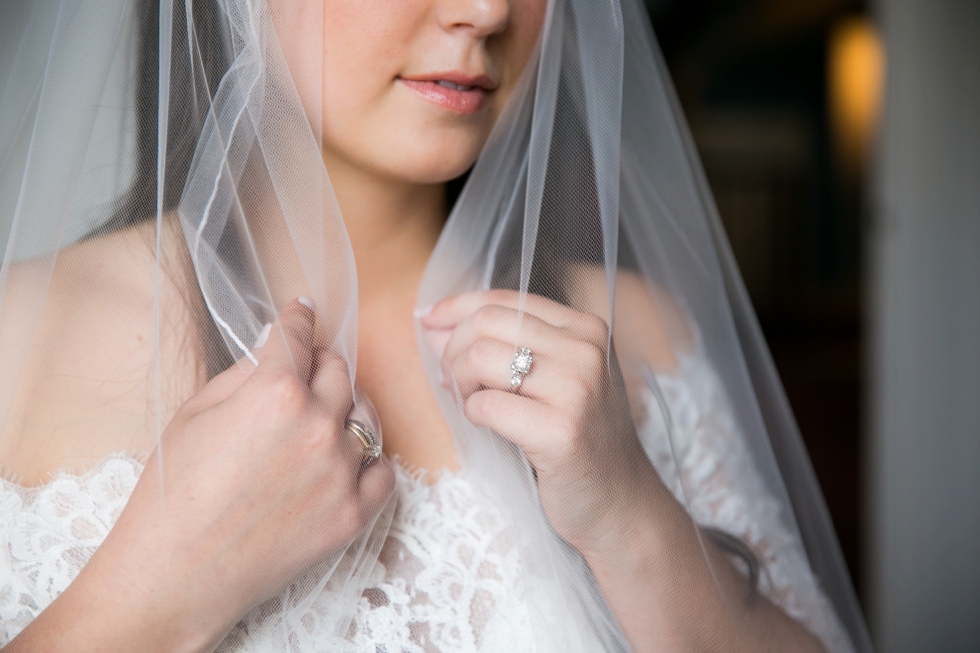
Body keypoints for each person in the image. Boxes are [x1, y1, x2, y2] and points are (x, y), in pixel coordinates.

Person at [0, 0, 871, 651]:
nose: (485, 10)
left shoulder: (638, 336)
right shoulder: (17, 343)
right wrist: (163, 587)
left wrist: (630, 517)